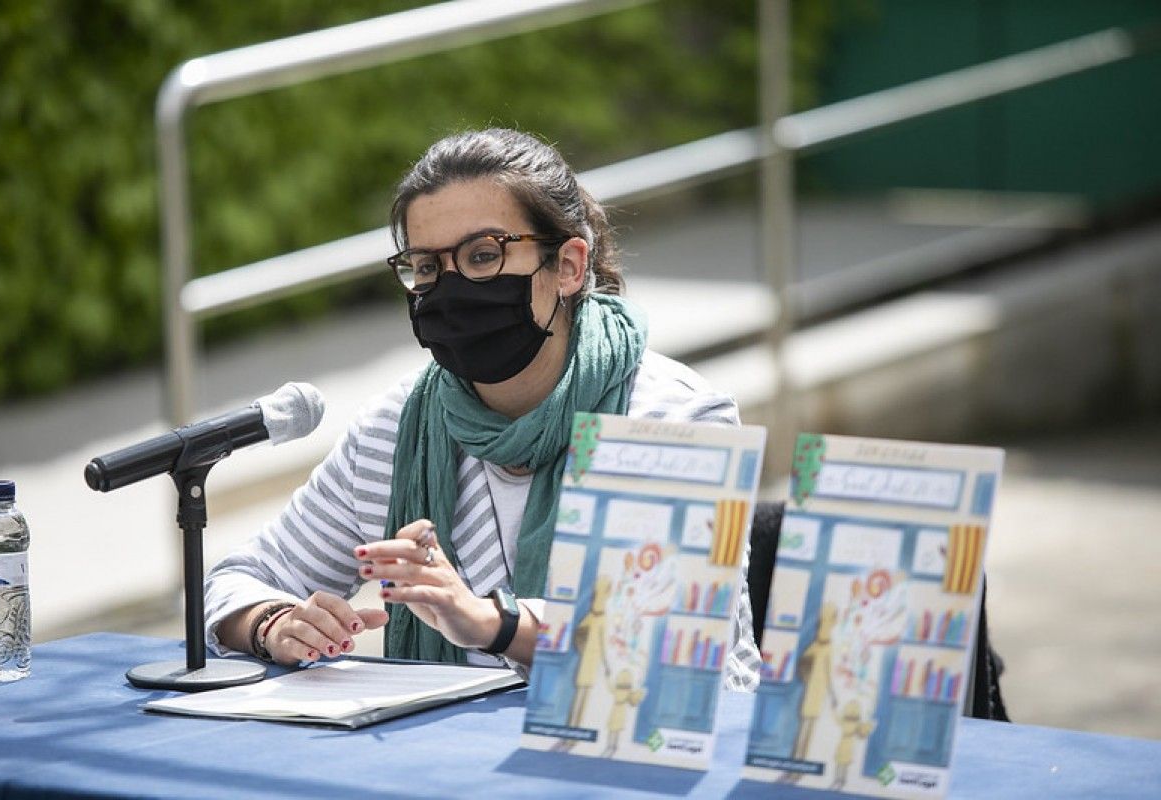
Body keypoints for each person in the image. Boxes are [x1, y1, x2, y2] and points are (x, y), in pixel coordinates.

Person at [203, 127, 762, 690]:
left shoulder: (677, 419)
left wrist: (488, 623)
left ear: (567, 265)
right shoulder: (396, 430)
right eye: (426, 267)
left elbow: (674, 648)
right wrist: (273, 623)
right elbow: (240, 578)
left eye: (482, 256)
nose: (450, 288)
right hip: (450, 766)